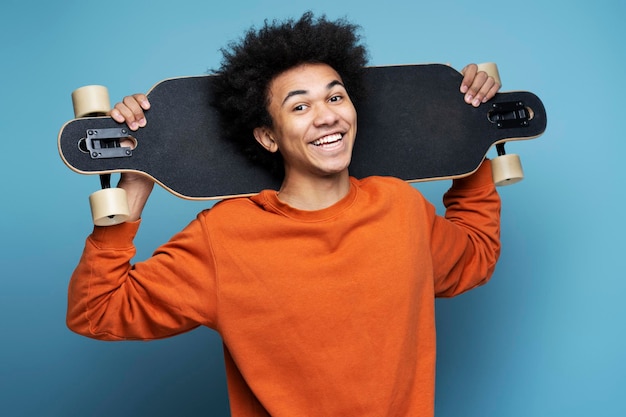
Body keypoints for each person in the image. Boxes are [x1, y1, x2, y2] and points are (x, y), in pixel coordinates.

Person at [67, 12, 501, 417]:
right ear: (268, 137)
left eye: (335, 96)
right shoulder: (226, 236)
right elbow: (98, 311)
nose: (327, 116)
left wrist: (471, 135)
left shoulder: (399, 206)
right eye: (300, 106)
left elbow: (475, 256)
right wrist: (141, 174)